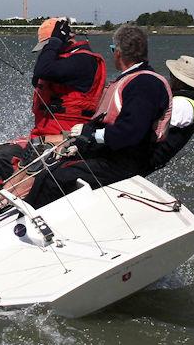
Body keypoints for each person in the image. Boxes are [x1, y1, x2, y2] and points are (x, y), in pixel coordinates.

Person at [25, 24, 171, 209]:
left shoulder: (145, 83)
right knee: (50, 167)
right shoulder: (135, 79)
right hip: (111, 153)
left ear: (118, 52)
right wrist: (84, 137)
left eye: (112, 50)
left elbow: (131, 132)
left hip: (124, 161)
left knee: (56, 176)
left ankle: (26, 225)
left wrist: (91, 134)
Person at [0, 17, 106, 197]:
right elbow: (39, 75)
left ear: (61, 41)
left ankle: (3, 200)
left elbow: (43, 70)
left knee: (25, 166)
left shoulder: (83, 61)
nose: (47, 51)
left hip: (65, 139)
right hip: (42, 137)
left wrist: (54, 42)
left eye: (48, 46)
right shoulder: (60, 61)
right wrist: (54, 46)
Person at [148, 55, 194, 173]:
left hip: (146, 158)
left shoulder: (183, 104)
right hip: (148, 157)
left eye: (171, 75)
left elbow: (151, 124)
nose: (169, 78)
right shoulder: (192, 101)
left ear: (179, 81)